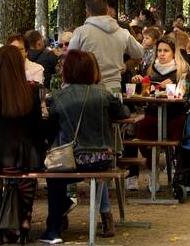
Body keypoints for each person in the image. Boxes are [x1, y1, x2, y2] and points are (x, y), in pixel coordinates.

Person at [40, 51, 130, 244]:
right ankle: (105, 217)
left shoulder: (58, 98)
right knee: (95, 177)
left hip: (70, 160)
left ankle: (53, 229)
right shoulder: (103, 93)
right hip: (101, 159)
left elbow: (51, 131)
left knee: (54, 180)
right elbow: (123, 112)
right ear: (92, 70)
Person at [0, 46, 45, 242]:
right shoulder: (31, 91)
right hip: (25, 155)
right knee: (27, 177)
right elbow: (37, 128)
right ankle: (25, 217)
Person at [68, 0, 144, 93]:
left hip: (88, 90)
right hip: (114, 89)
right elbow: (140, 53)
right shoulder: (122, 32)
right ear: (106, 10)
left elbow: (70, 61)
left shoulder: (80, 32)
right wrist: (125, 65)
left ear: (87, 11)